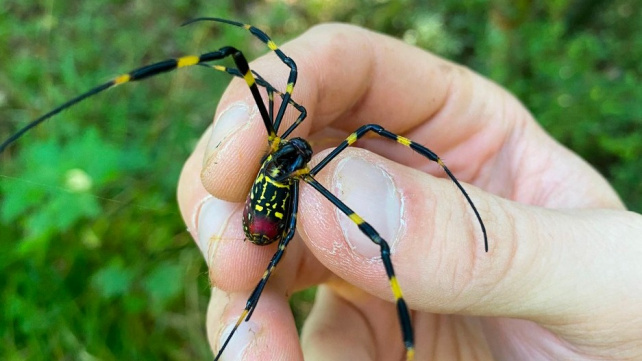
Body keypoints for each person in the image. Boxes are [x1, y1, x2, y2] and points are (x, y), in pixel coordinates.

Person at [177, 23, 642, 360]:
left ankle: (409, 347)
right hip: (265, 222)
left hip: (269, 217)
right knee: (271, 72)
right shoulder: (284, 144)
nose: (298, 139)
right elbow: (282, 69)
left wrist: (440, 164)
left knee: (377, 239)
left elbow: (380, 235)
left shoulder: (299, 160)